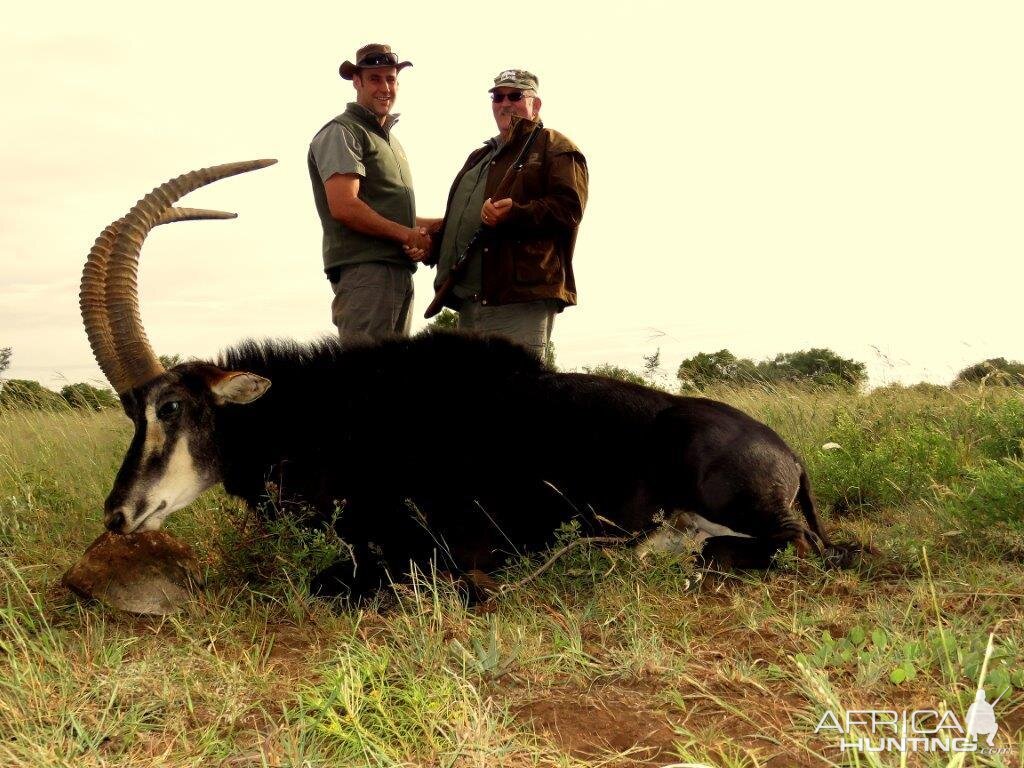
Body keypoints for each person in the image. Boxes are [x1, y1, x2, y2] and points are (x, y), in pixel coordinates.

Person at [428, 69, 588, 357]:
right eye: (497, 96)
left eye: (515, 95)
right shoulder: (480, 156)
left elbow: (569, 210)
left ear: (535, 105)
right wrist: (430, 245)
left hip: (519, 302)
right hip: (469, 302)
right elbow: (461, 222)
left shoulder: (556, 147)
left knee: (516, 399)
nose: (504, 102)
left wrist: (515, 213)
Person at [307, 43, 440, 345]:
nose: (385, 87)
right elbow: (344, 206)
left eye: (391, 79)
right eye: (375, 79)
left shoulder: (390, 141)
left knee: (391, 384)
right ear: (357, 82)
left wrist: (440, 225)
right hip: (366, 274)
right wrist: (408, 236)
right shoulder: (343, 131)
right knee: (365, 383)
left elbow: (390, 213)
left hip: (396, 273)